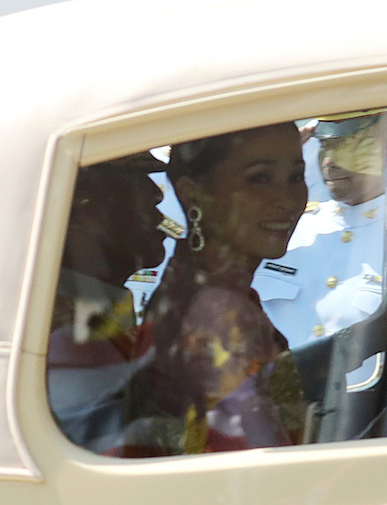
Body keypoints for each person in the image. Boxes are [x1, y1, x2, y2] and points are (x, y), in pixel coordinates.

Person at [123, 122, 309, 455]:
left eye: (296, 177)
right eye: (259, 178)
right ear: (192, 193)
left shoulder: (206, 287)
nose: (286, 200)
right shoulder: (219, 315)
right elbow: (269, 469)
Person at [252, 111, 387, 389]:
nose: (329, 161)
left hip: (359, 414)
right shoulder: (288, 230)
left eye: (346, 145)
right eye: (324, 145)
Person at [47, 153, 169, 453]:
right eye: (131, 181)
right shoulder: (63, 329)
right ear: (81, 206)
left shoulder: (97, 307)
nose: (156, 193)